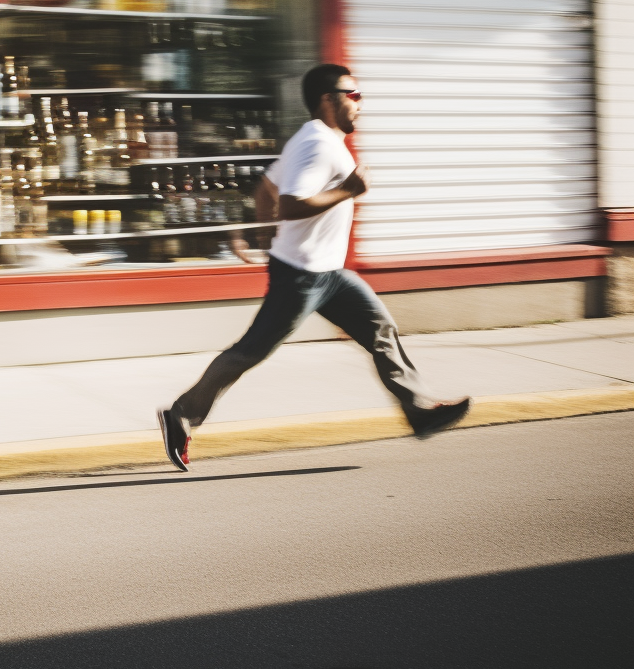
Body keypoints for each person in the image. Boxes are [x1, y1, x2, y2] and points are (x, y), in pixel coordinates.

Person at [157, 63, 470, 471]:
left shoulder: (316, 140)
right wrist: (349, 189)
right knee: (251, 351)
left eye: (360, 94)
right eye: (352, 94)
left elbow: (265, 189)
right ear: (329, 99)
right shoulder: (316, 144)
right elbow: (287, 203)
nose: (360, 103)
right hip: (303, 276)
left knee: (380, 330)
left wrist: (270, 245)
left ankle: (420, 410)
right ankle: (180, 415)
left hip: (329, 275)